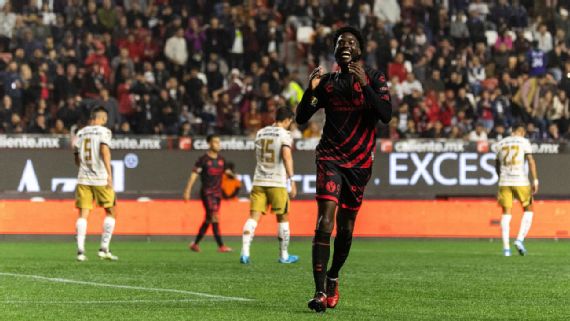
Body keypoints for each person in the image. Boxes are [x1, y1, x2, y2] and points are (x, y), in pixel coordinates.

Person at [296, 26, 392, 313]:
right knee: (325, 221)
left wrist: (364, 86)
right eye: (340, 43)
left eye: (351, 42)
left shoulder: (374, 78)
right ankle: (318, 292)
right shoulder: (326, 82)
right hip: (330, 157)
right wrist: (308, 92)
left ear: (360, 50)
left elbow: (386, 115)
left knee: (346, 229)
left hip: (360, 163)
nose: (346, 45)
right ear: (336, 52)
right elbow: (302, 117)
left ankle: (333, 276)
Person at [240, 107, 298, 265]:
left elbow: (257, 155)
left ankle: (245, 252)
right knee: (283, 218)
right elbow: (286, 156)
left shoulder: (261, 132)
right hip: (277, 182)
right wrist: (291, 179)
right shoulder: (284, 134)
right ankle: (284, 255)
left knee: (253, 217)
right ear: (286, 120)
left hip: (259, 180)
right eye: (290, 122)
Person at [73, 106, 118, 262]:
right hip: (100, 178)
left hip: (83, 178)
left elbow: (76, 156)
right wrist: (109, 175)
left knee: (83, 214)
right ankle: (103, 249)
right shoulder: (104, 132)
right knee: (111, 211)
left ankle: (80, 251)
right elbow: (105, 151)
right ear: (103, 119)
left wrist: (84, 168)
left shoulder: (81, 132)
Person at [495, 123, 539, 257]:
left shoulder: (500, 143)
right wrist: (535, 180)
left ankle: (506, 249)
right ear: (522, 131)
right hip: (520, 180)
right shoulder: (524, 142)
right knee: (528, 209)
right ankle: (519, 240)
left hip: (504, 181)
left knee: (506, 213)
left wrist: (501, 177)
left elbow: (496, 164)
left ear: (511, 131)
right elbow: (530, 161)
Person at [183, 134, 232, 253]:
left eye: (219, 142)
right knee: (215, 216)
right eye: (215, 142)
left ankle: (195, 244)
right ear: (209, 143)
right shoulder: (203, 160)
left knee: (209, 219)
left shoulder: (221, 160)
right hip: (207, 193)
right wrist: (187, 190)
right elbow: (194, 175)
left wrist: (232, 175)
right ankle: (221, 246)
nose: (218, 144)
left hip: (218, 193)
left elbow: (226, 171)